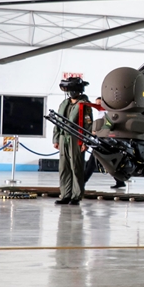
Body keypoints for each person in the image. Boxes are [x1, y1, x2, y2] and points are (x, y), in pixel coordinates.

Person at [53, 77, 93, 205]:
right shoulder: (64, 103)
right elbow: (57, 122)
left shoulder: (85, 105)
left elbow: (88, 124)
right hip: (63, 137)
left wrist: (85, 142)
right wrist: (56, 138)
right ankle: (65, 195)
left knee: (76, 167)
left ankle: (76, 196)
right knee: (63, 167)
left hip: (76, 138)